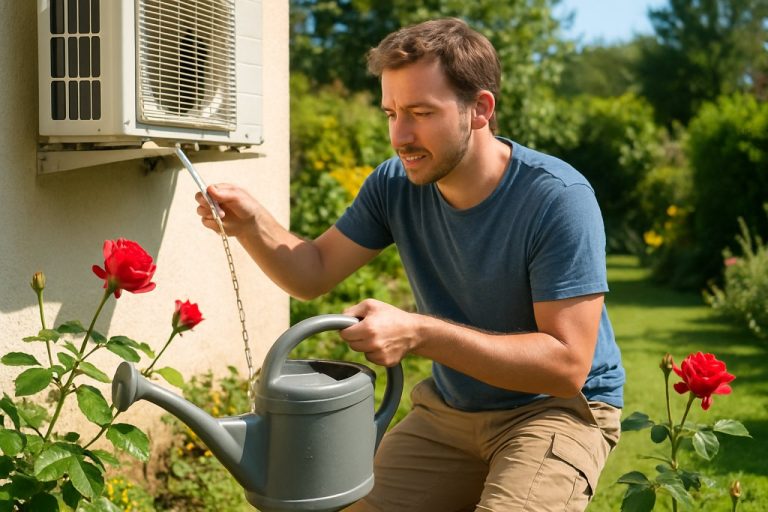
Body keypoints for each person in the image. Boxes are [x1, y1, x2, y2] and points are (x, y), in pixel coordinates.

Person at [196, 18, 625, 512]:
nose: (400, 136)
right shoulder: (394, 184)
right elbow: (310, 273)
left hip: (554, 412)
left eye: (421, 112)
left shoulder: (557, 199)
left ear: (480, 109)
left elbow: (567, 366)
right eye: (391, 113)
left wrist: (419, 333)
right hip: (451, 413)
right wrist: (253, 224)